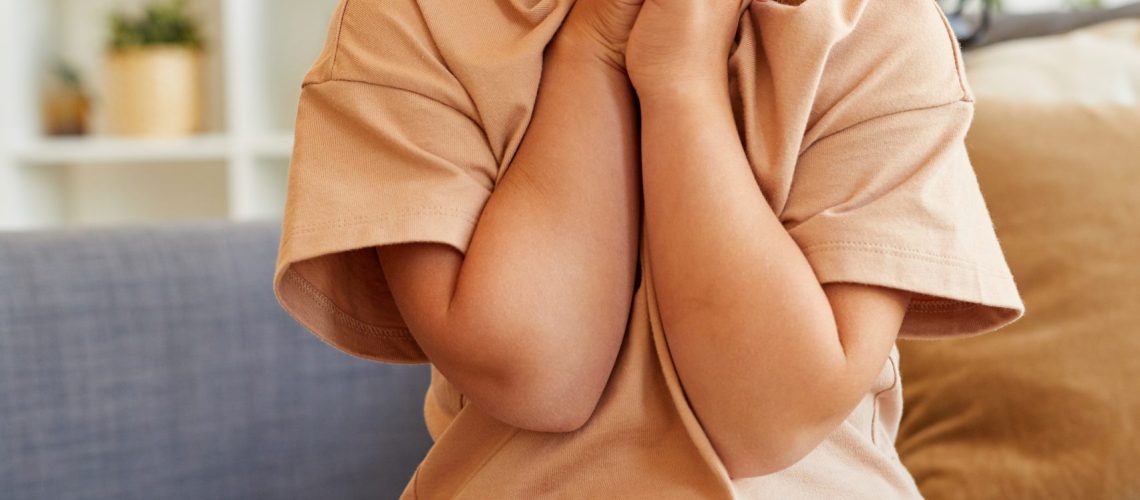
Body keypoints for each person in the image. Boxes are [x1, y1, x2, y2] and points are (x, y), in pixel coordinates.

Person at [272, 0, 1026, 497]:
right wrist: (593, 49)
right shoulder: (409, 18)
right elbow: (539, 375)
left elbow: (772, 420)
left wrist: (682, 79)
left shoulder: (871, 23)